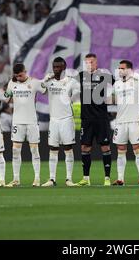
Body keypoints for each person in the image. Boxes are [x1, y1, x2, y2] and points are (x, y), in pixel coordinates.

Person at [39, 57, 80, 187]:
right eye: (54, 67)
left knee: (68, 148)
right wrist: (44, 80)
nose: (56, 69)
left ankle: (69, 179)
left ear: (64, 67)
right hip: (54, 120)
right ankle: (52, 179)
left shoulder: (72, 82)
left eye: (59, 67)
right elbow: (40, 89)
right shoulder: (49, 81)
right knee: (53, 148)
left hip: (67, 119)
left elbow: (76, 98)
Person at [76, 53, 115, 186]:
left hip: (101, 118)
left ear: (96, 63)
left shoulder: (104, 76)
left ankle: (107, 178)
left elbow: (120, 83)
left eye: (91, 62)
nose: (89, 64)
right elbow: (64, 83)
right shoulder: (80, 76)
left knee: (105, 147)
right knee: (85, 147)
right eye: (87, 62)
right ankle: (86, 178)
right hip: (86, 119)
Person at [4, 63, 44, 187]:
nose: (19, 78)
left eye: (20, 75)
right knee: (15, 150)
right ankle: (16, 179)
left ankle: (37, 178)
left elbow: (45, 91)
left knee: (34, 150)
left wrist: (47, 81)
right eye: (17, 76)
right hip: (17, 121)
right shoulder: (12, 83)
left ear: (25, 71)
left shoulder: (35, 82)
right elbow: (6, 98)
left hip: (32, 121)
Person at [111, 60, 139, 186]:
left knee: (137, 149)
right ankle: (120, 179)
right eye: (119, 68)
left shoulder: (137, 80)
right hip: (120, 122)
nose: (120, 70)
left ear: (129, 69)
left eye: (123, 68)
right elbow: (114, 99)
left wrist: (131, 74)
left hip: (134, 121)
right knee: (120, 149)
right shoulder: (117, 84)